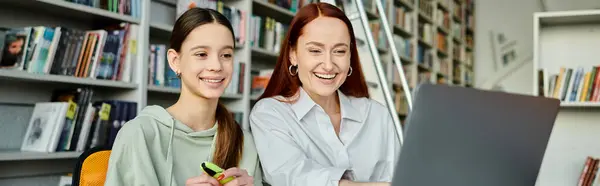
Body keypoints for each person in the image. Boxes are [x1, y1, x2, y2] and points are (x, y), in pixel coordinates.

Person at [105, 8, 262, 186]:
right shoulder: (140, 134)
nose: (216, 65)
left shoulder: (244, 141)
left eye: (226, 55)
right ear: (175, 61)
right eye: (201, 54)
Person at [249, 2, 400, 186]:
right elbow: (292, 176)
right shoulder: (270, 113)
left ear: (350, 56)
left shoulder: (377, 115)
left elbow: (401, 177)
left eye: (339, 51)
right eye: (315, 50)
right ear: (293, 55)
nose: (328, 65)